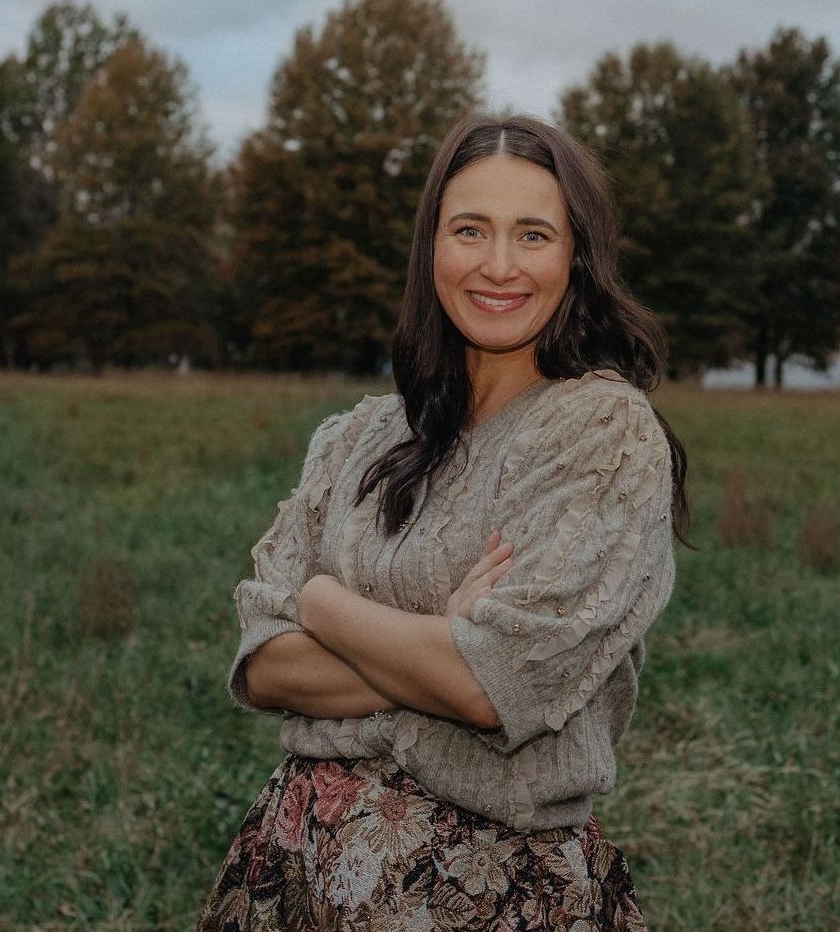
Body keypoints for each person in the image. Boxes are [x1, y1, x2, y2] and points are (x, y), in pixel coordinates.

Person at [196, 111, 690, 931]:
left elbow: (487, 686)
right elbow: (261, 665)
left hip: (483, 892)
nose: (498, 265)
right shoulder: (356, 436)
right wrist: (434, 639)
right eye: (470, 229)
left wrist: (321, 602)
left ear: (577, 255)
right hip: (293, 872)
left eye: (533, 234)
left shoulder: (601, 433)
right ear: (433, 245)